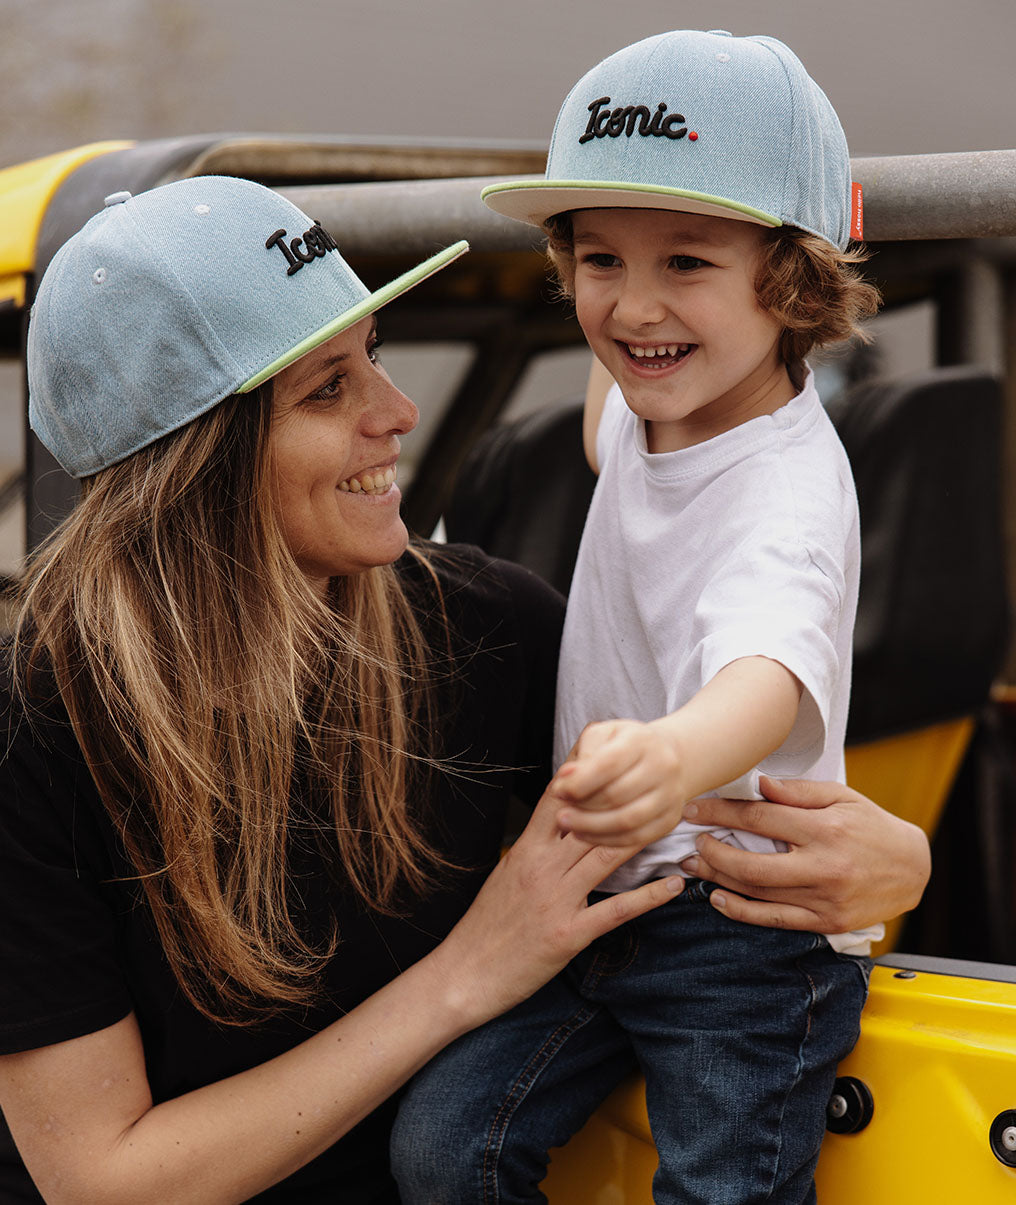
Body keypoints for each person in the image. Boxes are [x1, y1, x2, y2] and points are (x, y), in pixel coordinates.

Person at [0, 175, 684, 1204]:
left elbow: (708, 839)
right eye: (327, 389)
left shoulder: (482, 623)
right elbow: (106, 1181)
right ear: (191, 466)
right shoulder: (30, 726)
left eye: (373, 358)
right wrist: (467, 973)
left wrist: (883, 860)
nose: (396, 413)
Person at [392, 30, 887, 1204]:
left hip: (738, 926)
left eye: (687, 263)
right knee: (442, 1148)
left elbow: (764, 673)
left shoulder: (785, 501)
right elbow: (610, 411)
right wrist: (640, 344)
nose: (633, 304)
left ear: (796, 280)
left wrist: (669, 753)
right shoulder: (657, 408)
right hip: (602, 893)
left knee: (723, 1187)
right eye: (599, 259)